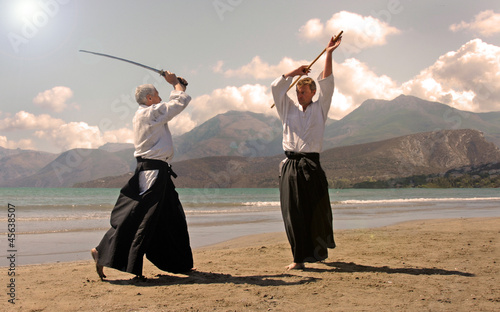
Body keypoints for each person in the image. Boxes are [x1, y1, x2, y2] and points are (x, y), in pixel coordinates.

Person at [91, 71, 194, 280]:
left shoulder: (149, 113)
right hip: (152, 172)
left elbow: (175, 101)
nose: (159, 98)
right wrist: (175, 84)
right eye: (157, 94)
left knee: (172, 217)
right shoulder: (149, 113)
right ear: (149, 99)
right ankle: (101, 252)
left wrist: (178, 87)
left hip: (159, 171)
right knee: (137, 217)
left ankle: (178, 262)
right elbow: (178, 104)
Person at [271, 34, 342, 270]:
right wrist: (294, 73)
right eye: (297, 91)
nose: (298, 94)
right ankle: (298, 259)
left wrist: (328, 53)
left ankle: (317, 252)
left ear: (312, 93)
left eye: (303, 91)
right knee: (293, 213)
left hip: (311, 164)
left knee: (317, 210)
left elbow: (328, 82)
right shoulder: (287, 109)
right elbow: (275, 87)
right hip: (291, 165)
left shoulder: (320, 108)